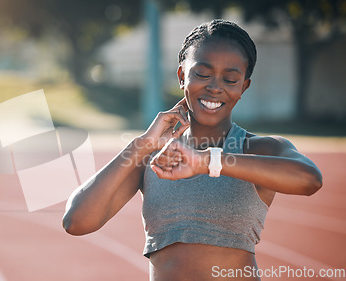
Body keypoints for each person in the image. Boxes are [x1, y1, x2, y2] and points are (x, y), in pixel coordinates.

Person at [62, 19, 322, 281]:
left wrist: (207, 162)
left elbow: (309, 179)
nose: (215, 87)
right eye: (202, 74)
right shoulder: (154, 157)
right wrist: (141, 145)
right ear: (181, 76)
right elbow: (77, 221)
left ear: (243, 86)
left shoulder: (257, 149)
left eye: (230, 79)